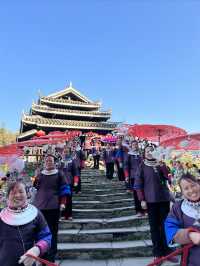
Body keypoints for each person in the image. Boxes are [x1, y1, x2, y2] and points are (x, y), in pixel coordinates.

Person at [135, 145, 177, 263]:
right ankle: (157, 254)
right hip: (150, 201)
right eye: (147, 151)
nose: (149, 153)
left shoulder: (161, 164)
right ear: (144, 153)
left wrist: (162, 165)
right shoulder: (142, 166)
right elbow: (138, 185)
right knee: (154, 228)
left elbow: (168, 179)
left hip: (164, 199)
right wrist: (142, 199)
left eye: (152, 151)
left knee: (166, 226)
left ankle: (168, 252)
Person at [0, 181, 51, 266]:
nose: (17, 195)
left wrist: (37, 249)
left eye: (21, 191)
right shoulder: (1, 215)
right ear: (8, 196)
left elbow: (47, 237)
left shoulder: (35, 214)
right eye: (13, 193)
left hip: (29, 263)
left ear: (27, 194)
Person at [33, 154, 69, 262]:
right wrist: (35, 178)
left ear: (54, 162)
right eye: (47, 160)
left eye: (51, 160)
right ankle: (42, 253)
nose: (48, 162)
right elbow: (35, 188)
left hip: (53, 207)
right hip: (39, 208)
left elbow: (65, 189)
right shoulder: (40, 175)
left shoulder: (59, 174)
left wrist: (63, 203)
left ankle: (52, 254)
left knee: (52, 231)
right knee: (40, 232)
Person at [165, 173, 200, 266]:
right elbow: (170, 229)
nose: (191, 190)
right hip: (192, 261)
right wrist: (189, 235)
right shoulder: (178, 208)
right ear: (182, 192)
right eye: (186, 188)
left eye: (193, 185)